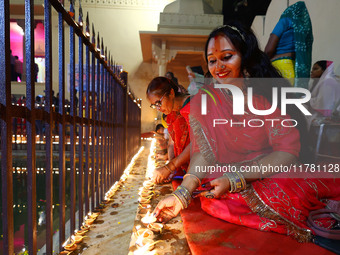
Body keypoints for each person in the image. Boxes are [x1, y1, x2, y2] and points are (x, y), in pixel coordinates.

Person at [153, 22, 340, 243]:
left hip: (272, 170)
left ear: (245, 56)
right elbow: (205, 150)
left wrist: (236, 179)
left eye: (227, 56)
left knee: (276, 192)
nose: (218, 66)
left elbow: (287, 153)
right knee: (212, 196)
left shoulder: (264, 93)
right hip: (235, 170)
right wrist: (181, 194)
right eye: (212, 61)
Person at [147, 77, 191, 184]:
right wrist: (172, 167)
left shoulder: (193, 106)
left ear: (171, 93)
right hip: (184, 167)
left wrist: (169, 167)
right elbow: (172, 143)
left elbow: (198, 144)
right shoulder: (170, 114)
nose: (158, 108)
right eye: (154, 105)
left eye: (159, 103)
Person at [265, 1, 313, 88]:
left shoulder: (285, 21)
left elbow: (269, 50)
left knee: (276, 99)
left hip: (278, 66)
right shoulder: (302, 29)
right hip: (292, 67)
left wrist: (263, 63)